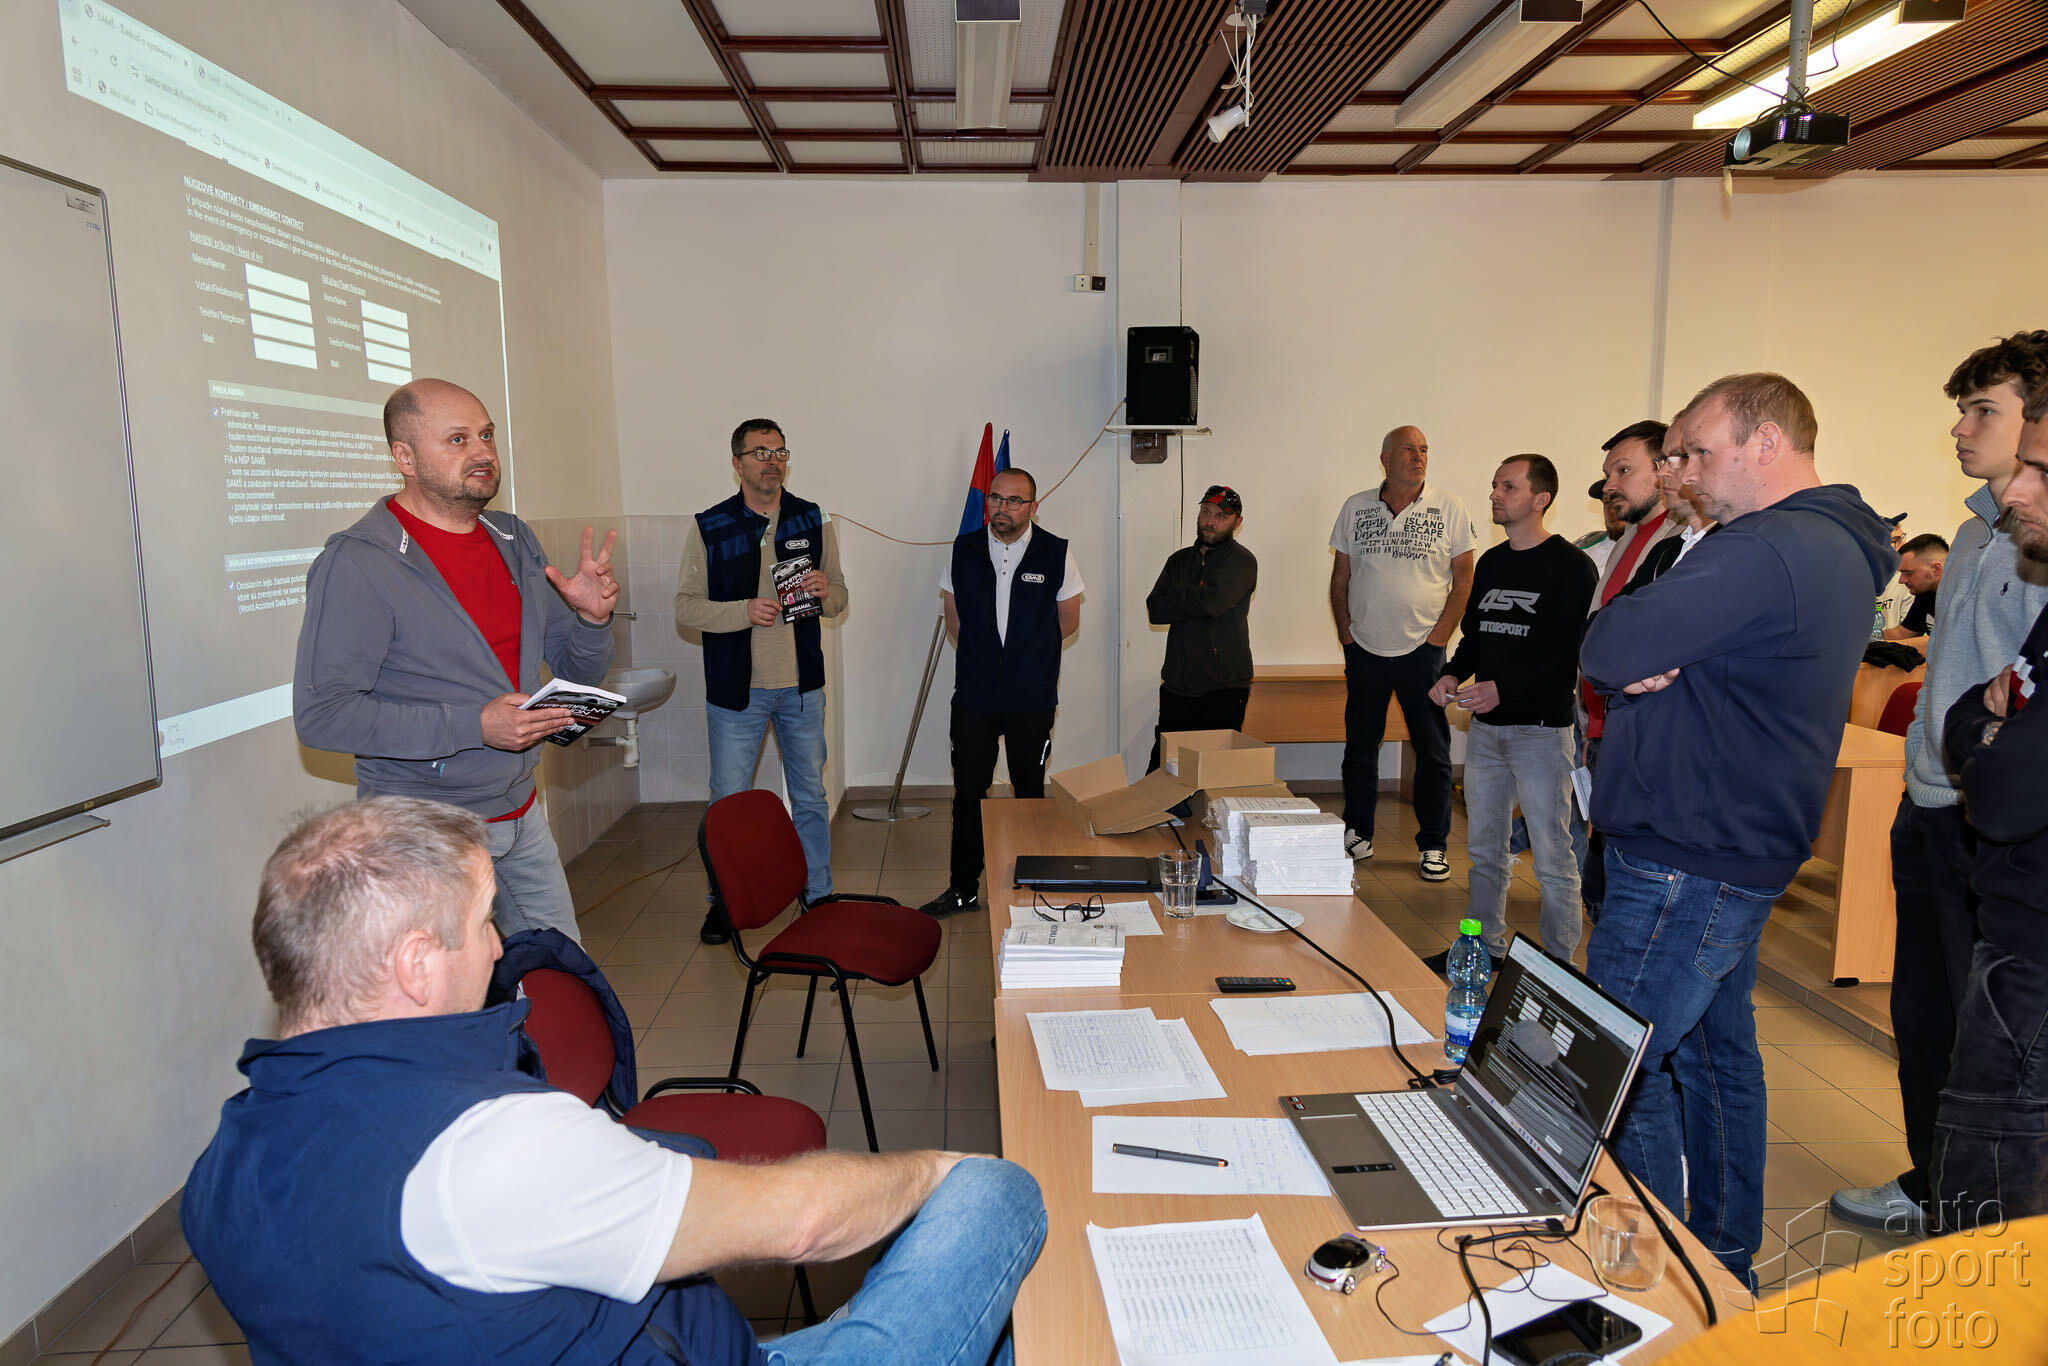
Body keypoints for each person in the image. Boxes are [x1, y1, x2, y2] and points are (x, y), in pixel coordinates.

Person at [181, 797, 1044, 1366]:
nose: (497, 946)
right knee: (999, 1195)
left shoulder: (223, 1169)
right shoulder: (489, 1149)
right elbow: (803, 1223)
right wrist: (938, 1172)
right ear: (415, 964)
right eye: (482, 923)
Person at [1580, 372, 1895, 1284]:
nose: (1683, 472)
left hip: (1690, 850)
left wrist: (1642, 652)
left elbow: (1607, 644)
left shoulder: (1769, 545)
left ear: (1767, 444)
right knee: (1716, 1059)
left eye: (1698, 452)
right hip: (1727, 840)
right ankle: (1720, 1259)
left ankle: (1654, 1281)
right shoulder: (1819, 541)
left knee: (1619, 1066)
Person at [1833, 333, 2048, 1233]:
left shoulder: (2037, 544)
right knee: (1923, 1021)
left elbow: (2019, 703)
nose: (1962, 429)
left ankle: (1985, 1220)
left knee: (1986, 1041)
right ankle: (1933, 1184)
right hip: (1927, 803)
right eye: (1962, 411)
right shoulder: (1969, 533)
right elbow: (1956, 684)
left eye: (1983, 411)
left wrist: (1975, 744)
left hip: (1989, 822)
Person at [294, 379, 617, 944]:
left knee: (563, 971)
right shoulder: (358, 563)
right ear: (405, 458)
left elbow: (576, 671)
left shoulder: (513, 538)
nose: (482, 452)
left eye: (486, 435)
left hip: (519, 811)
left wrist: (592, 621)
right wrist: (475, 725)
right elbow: (324, 716)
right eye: (458, 439)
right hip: (425, 830)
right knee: (446, 990)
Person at [1934, 407, 2048, 1234]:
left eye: (2043, 472)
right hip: (2017, 930)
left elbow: (2004, 799)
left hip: (2034, 960)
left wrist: (1984, 728)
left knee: (1988, 1209)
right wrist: (1985, 723)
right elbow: (1967, 714)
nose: (2017, 491)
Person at [677, 419, 848, 944]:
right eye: (760, 452)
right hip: (737, 692)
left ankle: (818, 892)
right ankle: (723, 903)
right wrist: (742, 612)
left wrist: (825, 592)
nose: (772, 461)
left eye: (779, 452)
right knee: (728, 801)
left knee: (810, 796)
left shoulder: (812, 518)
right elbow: (686, 609)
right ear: (737, 463)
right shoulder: (711, 525)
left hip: (802, 687)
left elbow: (840, 597)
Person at [1424, 455, 1595, 969]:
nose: (1495, 494)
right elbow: (1477, 637)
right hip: (1487, 733)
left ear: (1540, 499)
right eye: (1495, 485)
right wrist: (1453, 672)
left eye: (1509, 486)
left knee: (1552, 857)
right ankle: (1484, 949)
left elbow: (1568, 656)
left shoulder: (1571, 566)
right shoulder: (1493, 563)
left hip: (1541, 733)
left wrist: (1505, 690)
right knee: (1485, 853)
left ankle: (1559, 969)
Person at [922, 468, 1083, 917]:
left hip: (1031, 696)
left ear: (1033, 507)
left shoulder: (1056, 552)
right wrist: (986, 658)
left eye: (1015, 501)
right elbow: (954, 617)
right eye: (996, 498)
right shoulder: (964, 548)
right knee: (968, 795)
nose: (1003, 508)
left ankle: (1032, 886)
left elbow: (1068, 621)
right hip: (974, 694)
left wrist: (1026, 659)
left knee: (1029, 792)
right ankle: (963, 889)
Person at [1328, 425, 1476, 880]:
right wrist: (1347, 636)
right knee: (1360, 746)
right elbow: (1340, 578)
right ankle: (1358, 833)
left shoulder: (1450, 507)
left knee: (1432, 751)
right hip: (1365, 649)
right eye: (1409, 449)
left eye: (1424, 449)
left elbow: (1464, 582)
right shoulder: (1355, 507)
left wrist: (1439, 639)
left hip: (1423, 651)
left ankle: (1433, 845)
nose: (1419, 456)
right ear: (1385, 459)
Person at [1574, 420, 1682, 920]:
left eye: (1623, 471)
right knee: (1601, 871)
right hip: (1602, 725)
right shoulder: (1629, 538)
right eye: (1607, 473)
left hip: (1637, 730)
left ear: (1664, 469)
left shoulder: (1679, 543)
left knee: (1622, 889)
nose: (1608, 486)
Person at [1145, 485, 1257, 772]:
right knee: (1164, 771)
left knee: (1215, 773)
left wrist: (1178, 594)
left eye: (1221, 516)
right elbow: (1156, 609)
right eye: (1206, 512)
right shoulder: (1178, 561)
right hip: (1177, 685)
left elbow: (1212, 603)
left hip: (1223, 688)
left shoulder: (1242, 561)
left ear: (1237, 522)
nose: (1211, 521)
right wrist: (1199, 597)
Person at [1882, 533, 1948, 641]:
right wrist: (1863, 639)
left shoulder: (1964, 599)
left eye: (1908, 573)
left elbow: (1940, 645)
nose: (1901, 580)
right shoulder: (1925, 593)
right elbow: (1902, 633)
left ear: (1936, 570)